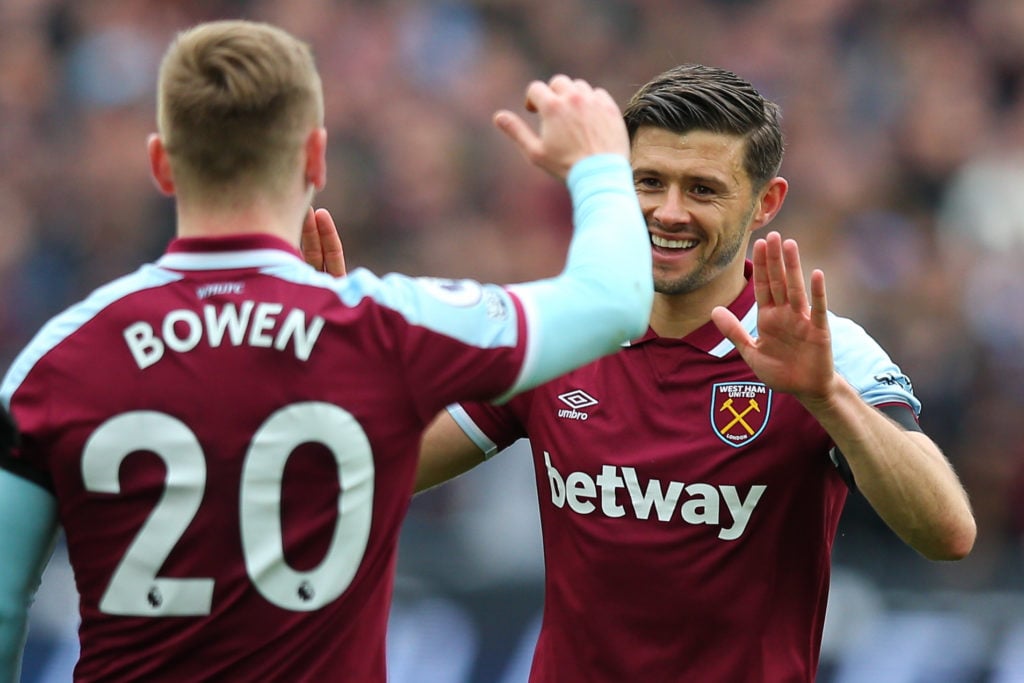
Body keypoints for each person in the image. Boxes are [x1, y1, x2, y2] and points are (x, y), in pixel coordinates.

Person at [0, 19, 655, 683]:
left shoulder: (54, 361)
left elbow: (1, 600)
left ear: (162, 164)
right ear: (315, 157)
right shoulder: (386, 328)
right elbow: (615, 302)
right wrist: (599, 165)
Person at [307, 63, 977, 682]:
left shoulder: (821, 351)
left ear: (766, 202)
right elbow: (359, 470)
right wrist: (331, 364)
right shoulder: (562, 332)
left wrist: (826, 395)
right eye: (649, 181)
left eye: (704, 189)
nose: (669, 211)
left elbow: (949, 533)